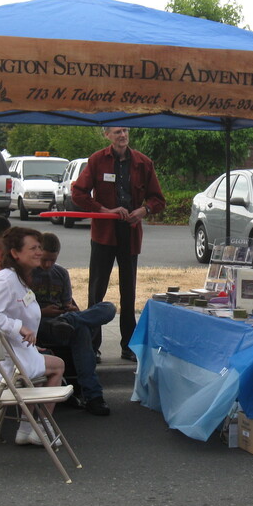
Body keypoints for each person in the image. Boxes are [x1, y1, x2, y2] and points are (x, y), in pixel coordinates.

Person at [72, 126, 165, 362]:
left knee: (129, 292)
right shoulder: (96, 160)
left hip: (130, 233)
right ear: (107, 136)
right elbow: (78, 192)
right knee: (96, 292)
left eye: (124, 131)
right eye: (116, 132)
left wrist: (143, 210)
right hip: (104, 233)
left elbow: (158, 199)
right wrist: (103, 210)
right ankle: (92, 347)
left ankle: (128, 346)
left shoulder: (143, 163)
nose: (122, 135)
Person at [0, 227, 66, 447]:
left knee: (40, 362)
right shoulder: (6, 279)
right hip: (0, 362)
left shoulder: (19, 279)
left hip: (12, 353)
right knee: (57, 366)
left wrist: (27, 342)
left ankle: (26, 429)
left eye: (40, 247)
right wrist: (18, 327)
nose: (39, 252)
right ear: (15, 253)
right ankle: (41, 428)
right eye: (33, 248)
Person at [32, 232, 115, 417]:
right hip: (40, 324)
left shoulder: (61, 273)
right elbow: (20, 310)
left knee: (108, 308)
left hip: (63, 322)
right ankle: (93, 396)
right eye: (44, 260)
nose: (47, 265)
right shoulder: (28, 272)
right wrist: (42, 312)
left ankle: (68, 320)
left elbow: (67, 302)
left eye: (52, 261)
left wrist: (70, 310)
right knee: (82, 329)